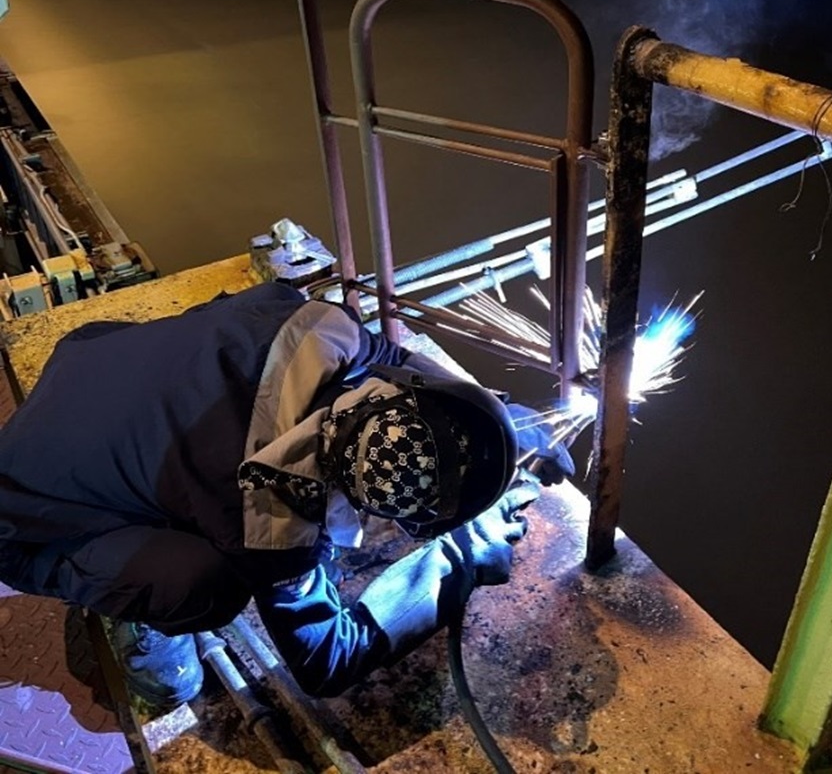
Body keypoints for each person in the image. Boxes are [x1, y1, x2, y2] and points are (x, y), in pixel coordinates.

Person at [0, 280, 572, 708]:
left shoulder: (321, 328)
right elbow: (328, 661)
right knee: (203, 586)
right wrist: (463, 556)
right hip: (28, 516)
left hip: (89, 371)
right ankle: (118, 602)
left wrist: (508, 430)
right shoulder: (267, 521)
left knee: (220, 341)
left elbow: (398, 365)